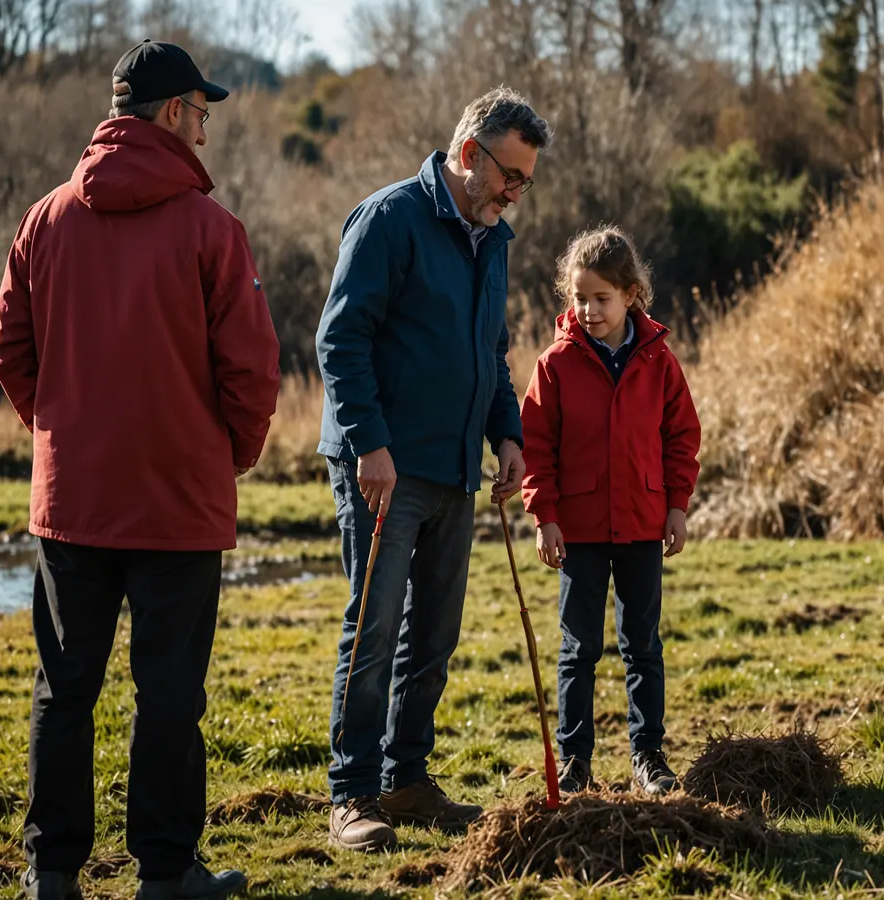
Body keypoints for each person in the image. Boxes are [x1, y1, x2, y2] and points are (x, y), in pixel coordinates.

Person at [0, 39, 281, 900]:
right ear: (168, 114)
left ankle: (52, 874)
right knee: (168, 696)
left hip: (72, 499)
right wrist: (227, 455)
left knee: (64, 689)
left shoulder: (45, 219)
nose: (205, 128)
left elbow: (9, 348)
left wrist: (59, 432)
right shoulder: (211, 230)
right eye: (201, 111)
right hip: (177, 506)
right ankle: (164, 873)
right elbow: (253, 374)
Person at [315, 87, 551, 852]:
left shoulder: (495, 239)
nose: (516, 194)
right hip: (384, 466)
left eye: (525, 181)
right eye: (509, 176)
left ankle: (407, 778)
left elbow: (490, 350)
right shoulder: (389, 219)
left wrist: (507, 436)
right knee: (374, 627)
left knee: (436, 633)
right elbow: (341, 341)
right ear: (469, 154)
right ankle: (352, 794)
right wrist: (369, 444)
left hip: (454, 467)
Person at [519, 225, 701, 797]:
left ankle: (648, 757)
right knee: (579, 649)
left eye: (601, 298)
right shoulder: (554, 366)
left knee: (642, 645)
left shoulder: (660, 362)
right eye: (579, 298)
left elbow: (681, 437)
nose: (589, 310)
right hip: (579, 531)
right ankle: (575, 763)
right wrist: (544, 515)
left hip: (645, 524)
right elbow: (537, 448)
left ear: (630, 296)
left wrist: (677, 505)